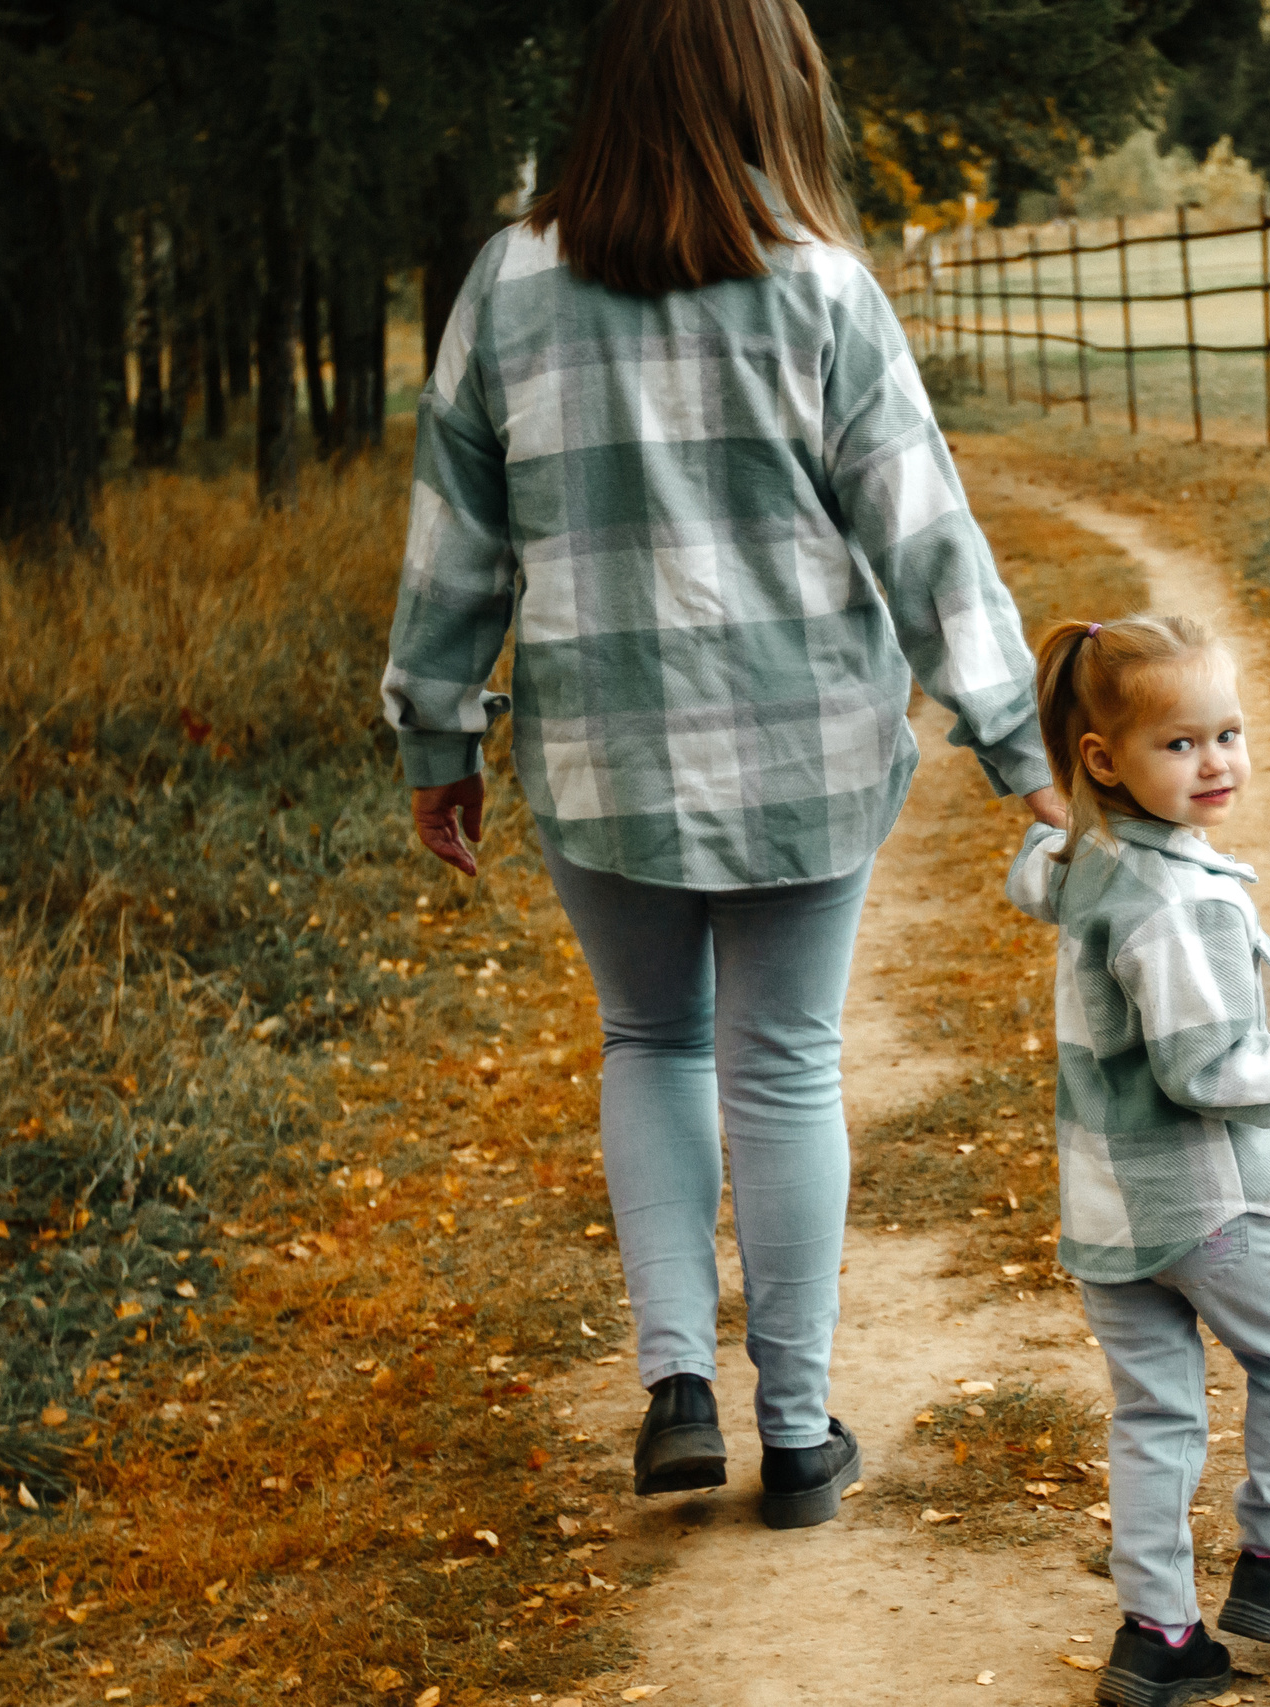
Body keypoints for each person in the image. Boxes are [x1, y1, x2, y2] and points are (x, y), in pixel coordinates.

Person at [379, 0, 1063, 1532]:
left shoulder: (510, 284)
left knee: (651, 1039)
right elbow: (925, 536)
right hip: (804, 743)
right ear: (772, 86)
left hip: (603, 754)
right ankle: (800, 1430)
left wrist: (440, 732)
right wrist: (1017, 739)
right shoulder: (820, 288)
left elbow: (455, 544)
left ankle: (676, 1384)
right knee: (781, 1059)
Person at [1005, 615, 1270, 1707]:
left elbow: (1032, 871)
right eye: (1178, 745)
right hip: (1206, 1201)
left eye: (1226, 732)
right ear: (1105, 759)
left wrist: (1058, 813)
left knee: (1155, 1414)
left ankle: (1158, 1634)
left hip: (1106, 1210)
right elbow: (1208, 1071)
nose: (1215, 761)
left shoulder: (1087, 858)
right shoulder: (1180, 902)